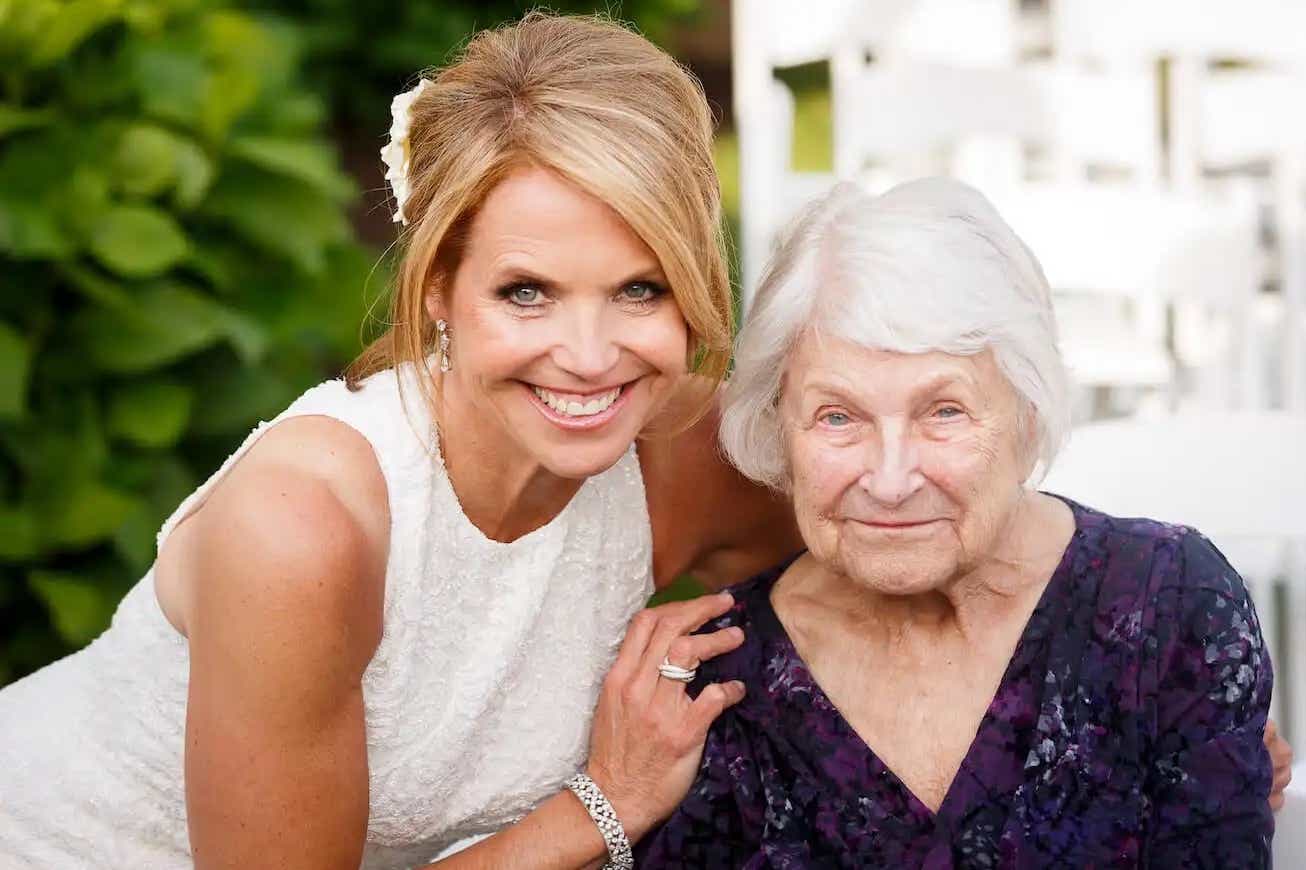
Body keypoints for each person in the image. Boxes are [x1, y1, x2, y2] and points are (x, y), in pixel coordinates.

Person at [0, 14, 800, 868]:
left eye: (641, 289)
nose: (591, 357)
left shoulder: (687, 448)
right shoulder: (303, 528)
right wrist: (607, 804)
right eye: (527, 292)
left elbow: (902, 568)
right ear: (439, 286)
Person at [637, 178, 1280, 867]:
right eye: (838, 416)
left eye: (943, 412)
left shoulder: (1170, 609)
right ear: (778, 429)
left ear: (1028, 413)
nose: (889, 481)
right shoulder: (717, 680)